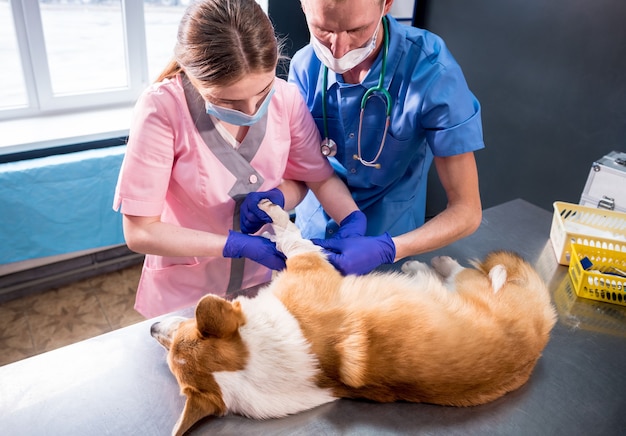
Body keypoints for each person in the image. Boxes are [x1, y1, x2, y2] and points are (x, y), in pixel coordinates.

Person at [113, 0, 359, 318]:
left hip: (259, 286)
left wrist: (351, 221)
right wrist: (232, 244)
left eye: (263, 90)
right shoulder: (162, 109)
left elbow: (317, 177)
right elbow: (140, 231)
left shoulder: (286, 99)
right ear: (192, 74)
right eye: (228, 100)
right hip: (186, 292)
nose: (252, 111)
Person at [287, 0, 485, 275]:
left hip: (392, 241)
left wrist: (390, 248)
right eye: (323, 29)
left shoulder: (430, 70)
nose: (338, 49)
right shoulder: (304, 66)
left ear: (387, 4)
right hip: (314, 236)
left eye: (356, 30)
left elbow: (467, 211)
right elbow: (304, 168)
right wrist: (278, 197)